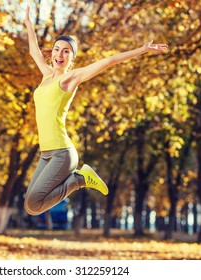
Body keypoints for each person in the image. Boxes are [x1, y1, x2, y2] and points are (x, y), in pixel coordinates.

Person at [23, 5, 168, 216]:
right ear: (52, 53)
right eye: (57, 49)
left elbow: (108, 61)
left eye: (66, 51)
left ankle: (81, 179)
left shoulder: (69, 79)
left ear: (72, 58)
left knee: (35, 204)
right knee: (31, 205)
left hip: (62, 154)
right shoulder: (46, 76)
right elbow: (33, 51)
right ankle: (79, 178)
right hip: (46, 154)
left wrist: (143, 50)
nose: (60, 54)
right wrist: (28, 24)